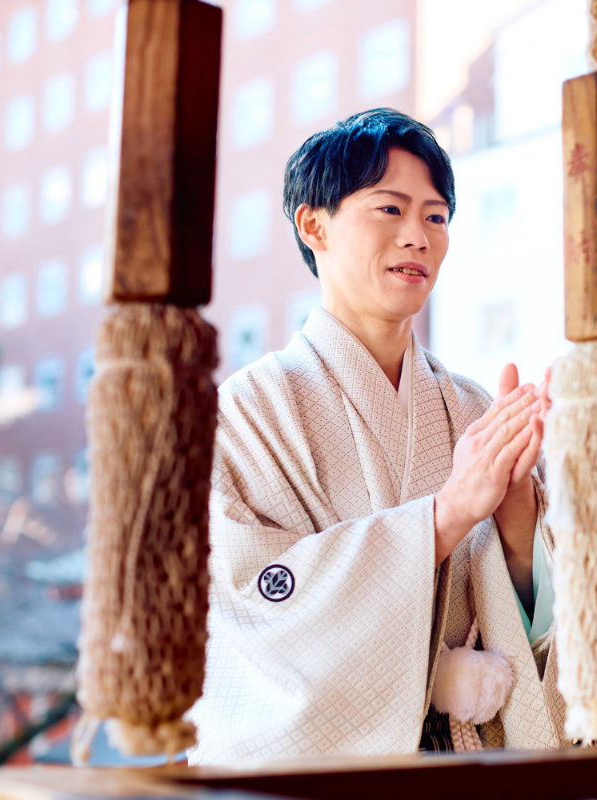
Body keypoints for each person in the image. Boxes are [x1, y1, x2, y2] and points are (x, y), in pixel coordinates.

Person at [187, 109, 565, 764]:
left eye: (436, 216)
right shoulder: (244, 411)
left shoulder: (474, 407)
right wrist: (446, 517)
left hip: (458, 760)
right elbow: (253, 606)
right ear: (314, 225)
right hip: (319, 771)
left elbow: (525, 623)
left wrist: (518, 523)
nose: (418, 236)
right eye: (390, 210)